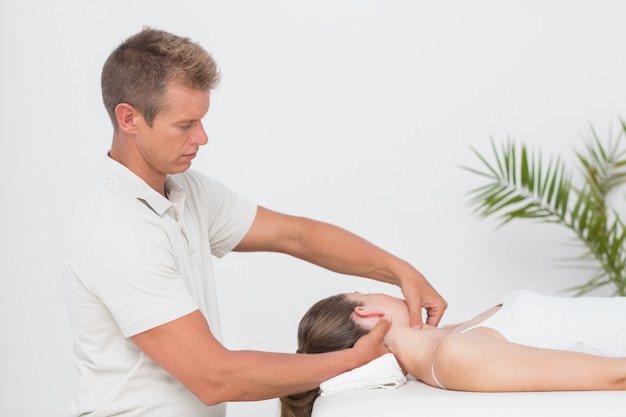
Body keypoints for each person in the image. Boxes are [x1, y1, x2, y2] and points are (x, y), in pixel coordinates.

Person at [62, 27, 446, 417]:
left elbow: (294, 235)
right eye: (185, 124)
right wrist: (351, 360)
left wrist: (400, 272)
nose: (203, 137)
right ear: (129, 119)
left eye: (202, 120)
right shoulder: (116, 230)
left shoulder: (185, 191)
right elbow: (214, 377)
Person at [281, 289, 626, 417]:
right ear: (366, 312)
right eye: (367, 291)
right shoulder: (454, 356)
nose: (380, 291)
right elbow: (616, 375)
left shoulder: (450, 338)